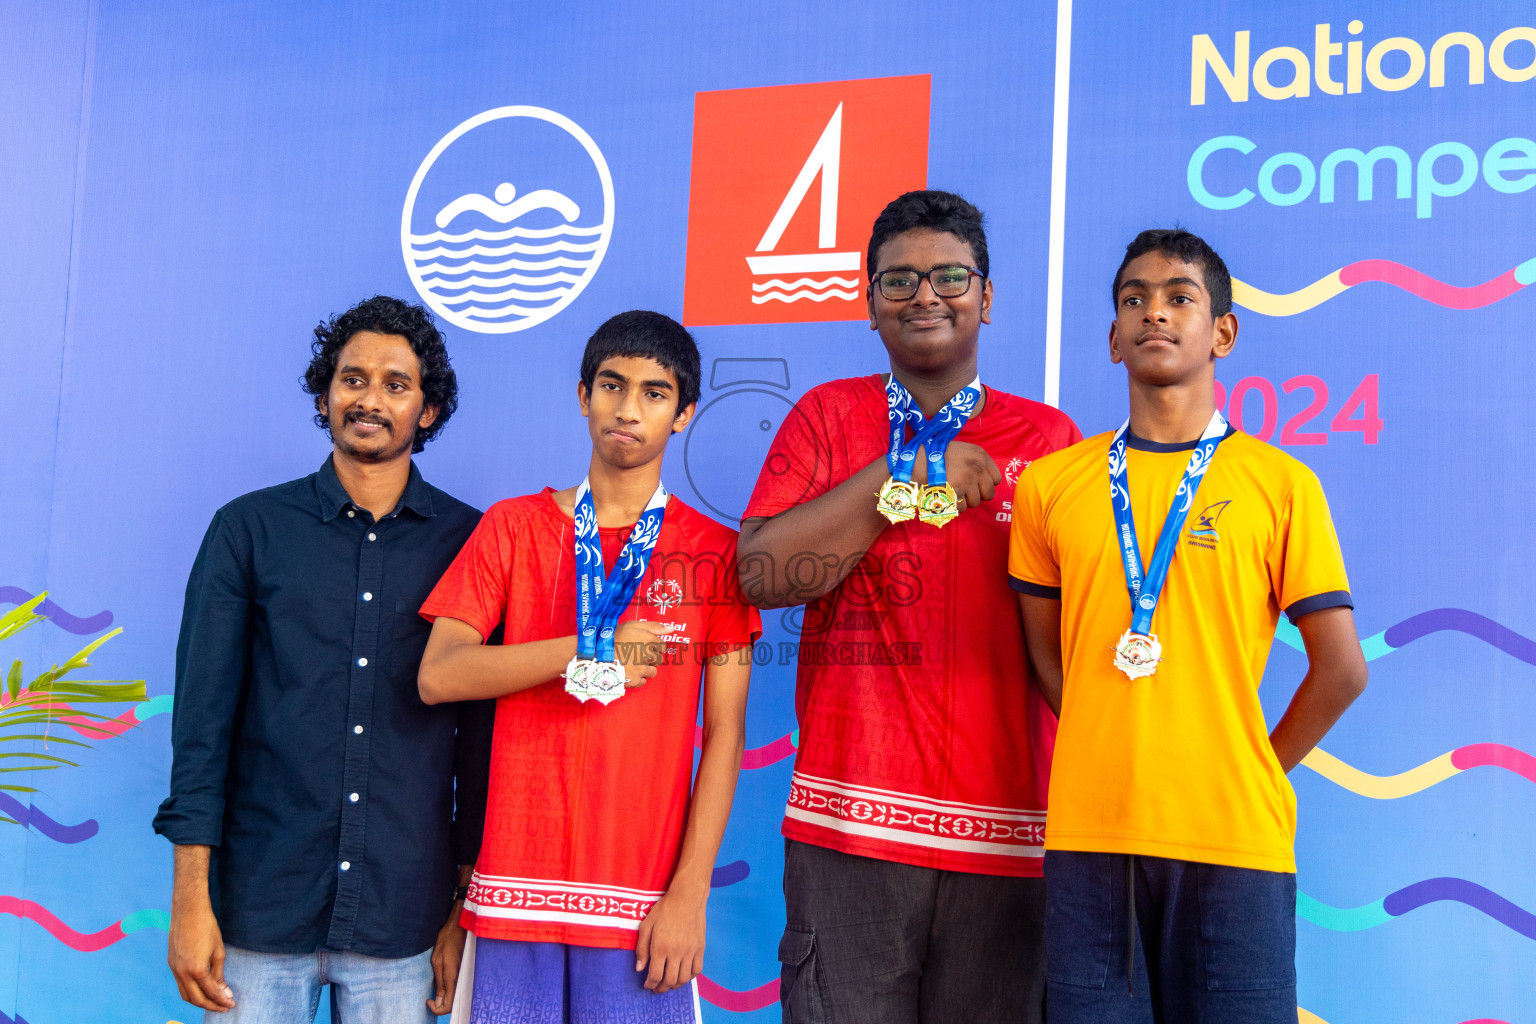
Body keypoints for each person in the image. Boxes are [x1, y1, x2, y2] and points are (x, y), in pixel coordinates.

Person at [1008, 228, 1369, 1023]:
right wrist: (1120, 737)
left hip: (1233, 843)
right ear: (1112, 338)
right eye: (1132, 299)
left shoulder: (1281, 483)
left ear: (1223, 332)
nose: (1154, 313)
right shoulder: (1051, 486)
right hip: (1090, 842)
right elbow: (1044, 655)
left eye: (1179, 298)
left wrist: (1254, 768)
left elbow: (1342, 669)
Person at [738, 190, 1081, 1024]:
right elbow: (761, 576)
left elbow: (1078, 636)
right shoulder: (827, 416)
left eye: (950, 276)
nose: (925, 295)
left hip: (1008, 837)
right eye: (898, 281)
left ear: (988, 297)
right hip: (848, 830)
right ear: (868, 304)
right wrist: (900, 483)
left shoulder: (1051, 442)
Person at [416, 310, 761, 1024]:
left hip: (642, 908)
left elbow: (725, 733)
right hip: (514, 893)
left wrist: (690, 894)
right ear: (583, 396)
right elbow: (439, 675)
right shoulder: (512, 526)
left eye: (654, 393)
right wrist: (584, 650)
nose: (628, 409)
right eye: (612, 385)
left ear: (685, 412)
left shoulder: (714, 553)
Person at [155, 295, 492, 1021]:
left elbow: (481, 746)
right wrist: (190, 900)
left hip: (402, 918)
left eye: (396, 385)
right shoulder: (248, 531)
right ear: (324, 394)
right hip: (259, 909)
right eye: (353, 379)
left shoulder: (472, 543)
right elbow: (201, 730)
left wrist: (461, 911)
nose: (370, 400)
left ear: (427, 411)